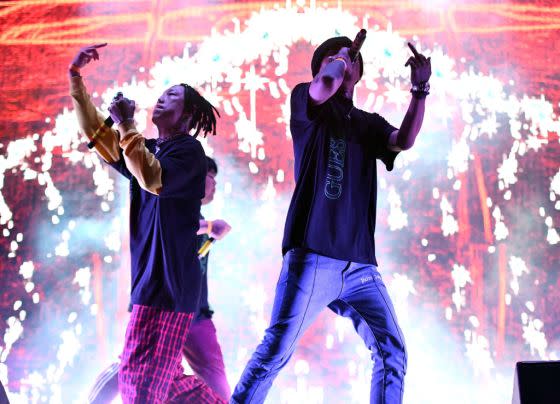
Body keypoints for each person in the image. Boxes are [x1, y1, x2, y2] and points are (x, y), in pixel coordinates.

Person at [231, 36, 431, 404]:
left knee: (392, 351)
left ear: (359, 72)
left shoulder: (367, 123)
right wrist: (339, 57)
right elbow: (324, 85)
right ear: (324, 66)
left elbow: (403, 140)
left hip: (359, 265)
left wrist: (419, 91)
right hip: (313, 254)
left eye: (350, 58)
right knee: (276, 350)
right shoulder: (307, 102)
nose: (344, 60)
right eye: (335, 57)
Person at [69, 43, 225, 403]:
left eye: (173, 96)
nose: (162, 98)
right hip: (152, 286)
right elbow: (99, 138)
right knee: (167, 385)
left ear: (186, 117)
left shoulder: (189, 152)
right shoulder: (147, 148)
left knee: (139, 388)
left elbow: (154, 179)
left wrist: (126, 125)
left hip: (166, 290)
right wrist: (76, 79)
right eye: (163, 92)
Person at [86, 156, 232, 403]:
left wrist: (209, 231)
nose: (214, 184)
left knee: (214, 381)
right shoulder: (171, 206)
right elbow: (172, 227)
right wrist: (208, 227)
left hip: (195, 313)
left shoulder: (197, 216)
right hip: (161, 311)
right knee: (130, 365)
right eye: (210, 177)